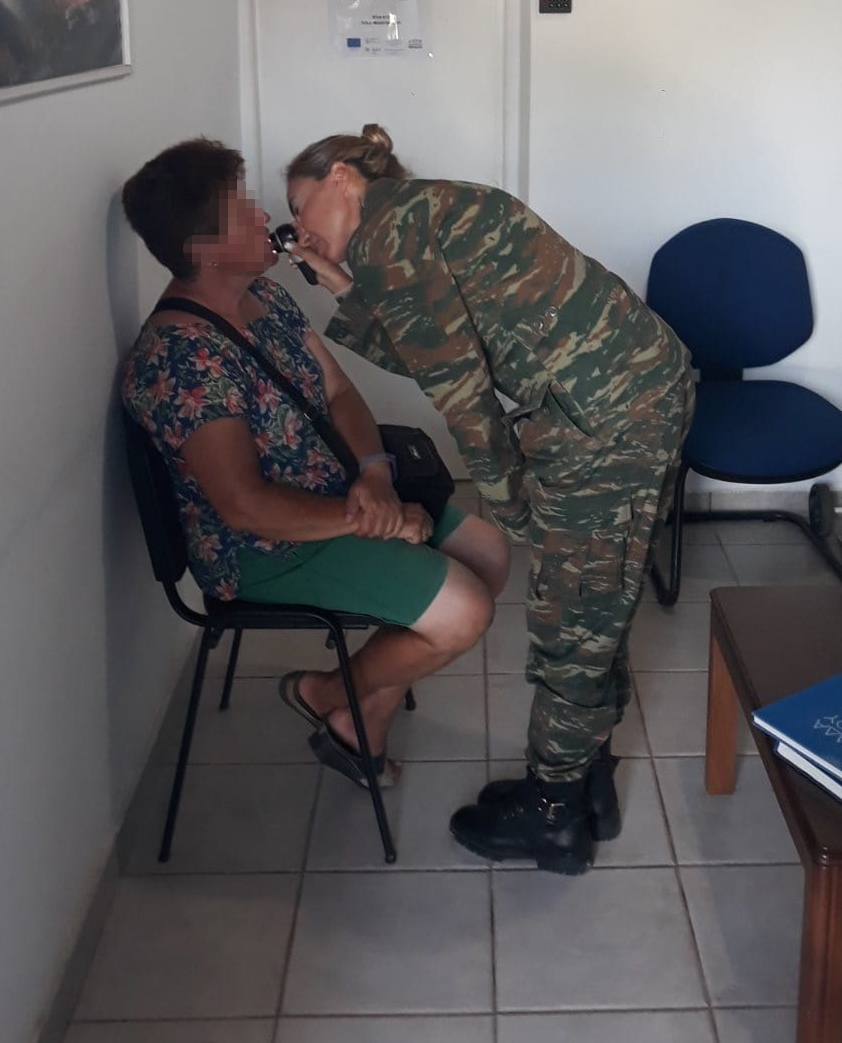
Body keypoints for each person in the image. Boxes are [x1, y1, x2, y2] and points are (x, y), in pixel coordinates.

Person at [284, 124, 694, 872]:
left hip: (605, 422)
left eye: (299, 207)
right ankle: (589, 780)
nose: (299, 229)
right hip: (636, 393)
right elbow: (438, 349)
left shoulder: (389, 238)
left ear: (342, 178)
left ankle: (554, 815)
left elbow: (462, 394)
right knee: (599, 602)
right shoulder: (414, 214)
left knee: (575, 615)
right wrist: (341, 283)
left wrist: (507, 498)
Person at [119, 138, 508, 788]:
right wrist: (374, 519)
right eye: (241, 210)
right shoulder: (182, 357)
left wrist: (376, 476)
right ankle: (330, 693)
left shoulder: (265, 298)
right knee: (465, 611)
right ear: (204, 249)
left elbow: (339, 393)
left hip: (341, 496)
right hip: (267, 548)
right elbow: (245, 505)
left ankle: (353, 709)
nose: (262, 215)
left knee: (490, 555)